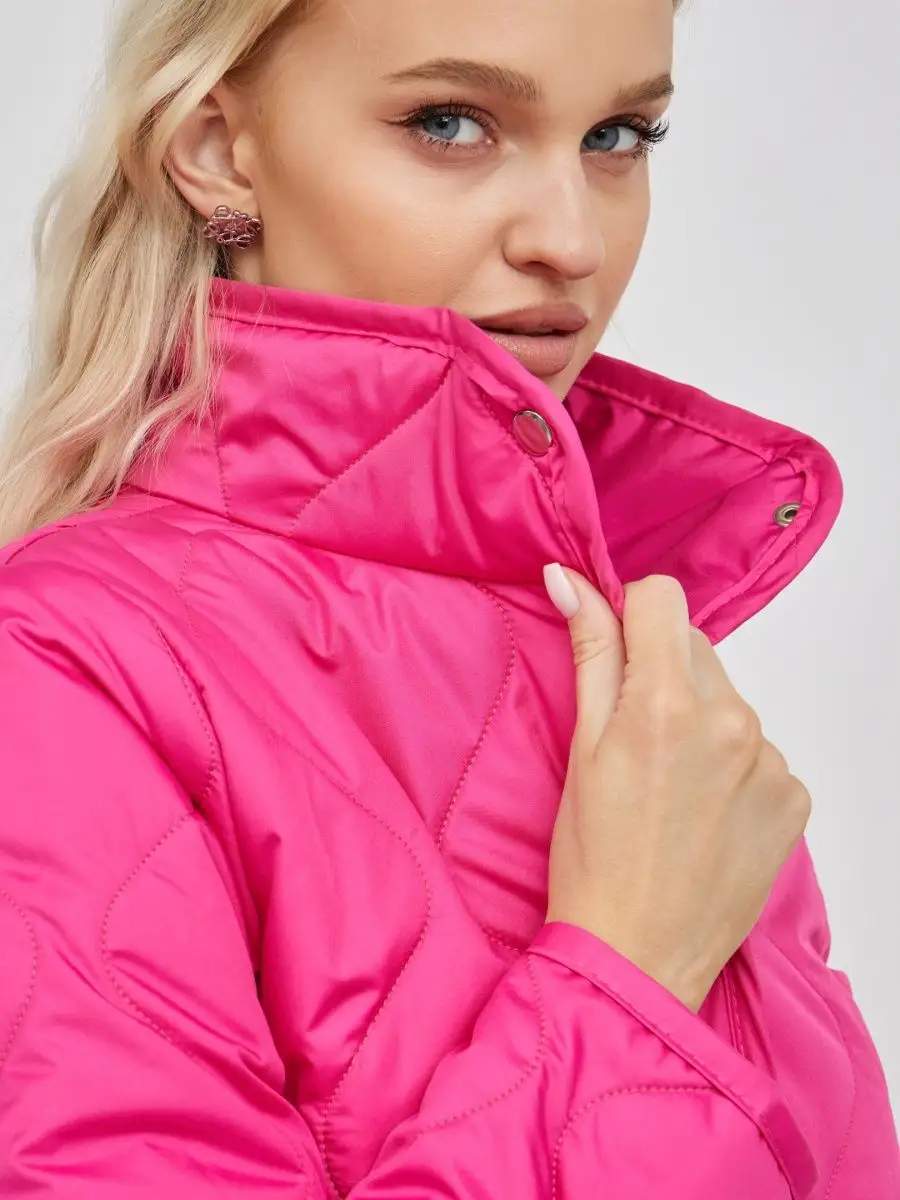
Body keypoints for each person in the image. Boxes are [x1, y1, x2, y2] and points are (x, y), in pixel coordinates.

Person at [0, 0, 897, 1194]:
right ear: (219, 151)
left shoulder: (631, 649)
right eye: (449, 123)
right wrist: (630, 970)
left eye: (618, 137)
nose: (570, 239)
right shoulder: (65, 661)